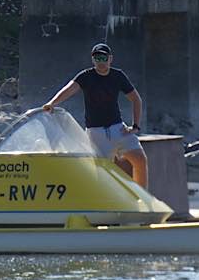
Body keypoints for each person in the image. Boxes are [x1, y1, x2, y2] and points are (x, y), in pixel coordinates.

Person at [42, 43, 148, 188]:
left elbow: (136, 99)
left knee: (140, 159)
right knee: (101, 172)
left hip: (119, 128)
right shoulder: (86, 76)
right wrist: (52, 103)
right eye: (97, 58)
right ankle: (105, 205)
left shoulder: (118, 76)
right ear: (93, 60)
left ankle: (143, 199)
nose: (101, 61)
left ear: (110, 59)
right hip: (96, 133)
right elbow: (69, 89)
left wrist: (135, 126)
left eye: (104, 57)